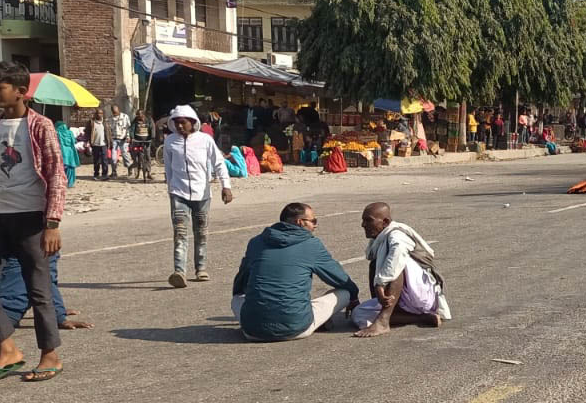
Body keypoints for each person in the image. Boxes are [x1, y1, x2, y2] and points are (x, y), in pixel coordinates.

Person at [0, 61, 66, 385]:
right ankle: (8, 349)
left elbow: (56, 173)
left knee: (38, 290)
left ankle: (50, 355)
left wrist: (52, 222)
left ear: (21, 91)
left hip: (31, 219)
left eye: (0, 88)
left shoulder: (40, 126)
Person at [231, 202, 359, 341]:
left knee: (236, 298)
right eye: (313, 221)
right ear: (300, 222)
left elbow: (241, 280)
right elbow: (339, 278)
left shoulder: (255, 242)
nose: (315, 225)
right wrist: (354, 296)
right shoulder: (312, 244)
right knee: (345, 293)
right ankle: (316, 320)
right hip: (297, 328)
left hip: (252, 332)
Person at [352, 202, 451, 337]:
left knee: (398, 263)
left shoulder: (397, 236)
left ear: (385, 222)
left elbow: (397, 257)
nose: (363, 225)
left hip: (419, 295)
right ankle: (421, 318)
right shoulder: (380, 237)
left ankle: (383, 320)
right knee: (358, 313)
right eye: (363, 220)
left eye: (368, 220)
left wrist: (380, 284)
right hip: (404, 301)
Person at [162, 103, 233, 288]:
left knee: (201, 232)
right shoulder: (170, 142)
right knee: (180, 232)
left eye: (183, 122)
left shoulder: (205, 140)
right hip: (178, 193)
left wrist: (226, 186)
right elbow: (168, 169)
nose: (179, 126)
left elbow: (219, 163)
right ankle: (179, 271)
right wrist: (170, 189)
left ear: (193, 122)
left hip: (202, 194)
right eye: (176, 122)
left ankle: (200, 268)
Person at [130, 109, 154, 182]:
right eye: (137, 115)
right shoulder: (135, 121)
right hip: (138, 141)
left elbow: (152, 128)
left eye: (139, 114)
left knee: (148, 156)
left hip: (147, 141)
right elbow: (132, 129)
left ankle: (148, 172)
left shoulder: (149, 120)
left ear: (143, 114)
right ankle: (138, 170)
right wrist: (132, 137)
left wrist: (152, 137)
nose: (138, 116)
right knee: (138, 157)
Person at [55, 115, 79, 188]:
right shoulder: (70, 132)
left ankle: (63, 183)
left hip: (61, 152)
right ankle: (70, 183)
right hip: (70, 152)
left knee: (62, 168)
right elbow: (74, 141)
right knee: (71, 168)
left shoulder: (57, 133)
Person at [109, 104, 130, 178]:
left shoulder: (125, 117)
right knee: (113, 157)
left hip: (123, 139)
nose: (115, 113)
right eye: (113, 112)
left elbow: (128, 128)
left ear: (119, 110)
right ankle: (114, 172)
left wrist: (128, 136)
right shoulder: (110, 118)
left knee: (125, 155)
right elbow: (109, 130)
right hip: (114, 139)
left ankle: (129, 169)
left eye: (116, 112)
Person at [87, 109, 107, 179]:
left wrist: (110, 142)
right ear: (95, 114)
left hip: (104, 144)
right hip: (95, 144)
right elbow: (87, 132)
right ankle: (96, 174)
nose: (99, 115)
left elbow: (108, 132)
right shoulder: (91, 122)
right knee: (96, 160)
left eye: (101, 113)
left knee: (104, 160)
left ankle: (105, 174)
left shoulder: (105, 122)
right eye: (98, 113)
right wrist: (88, 141)